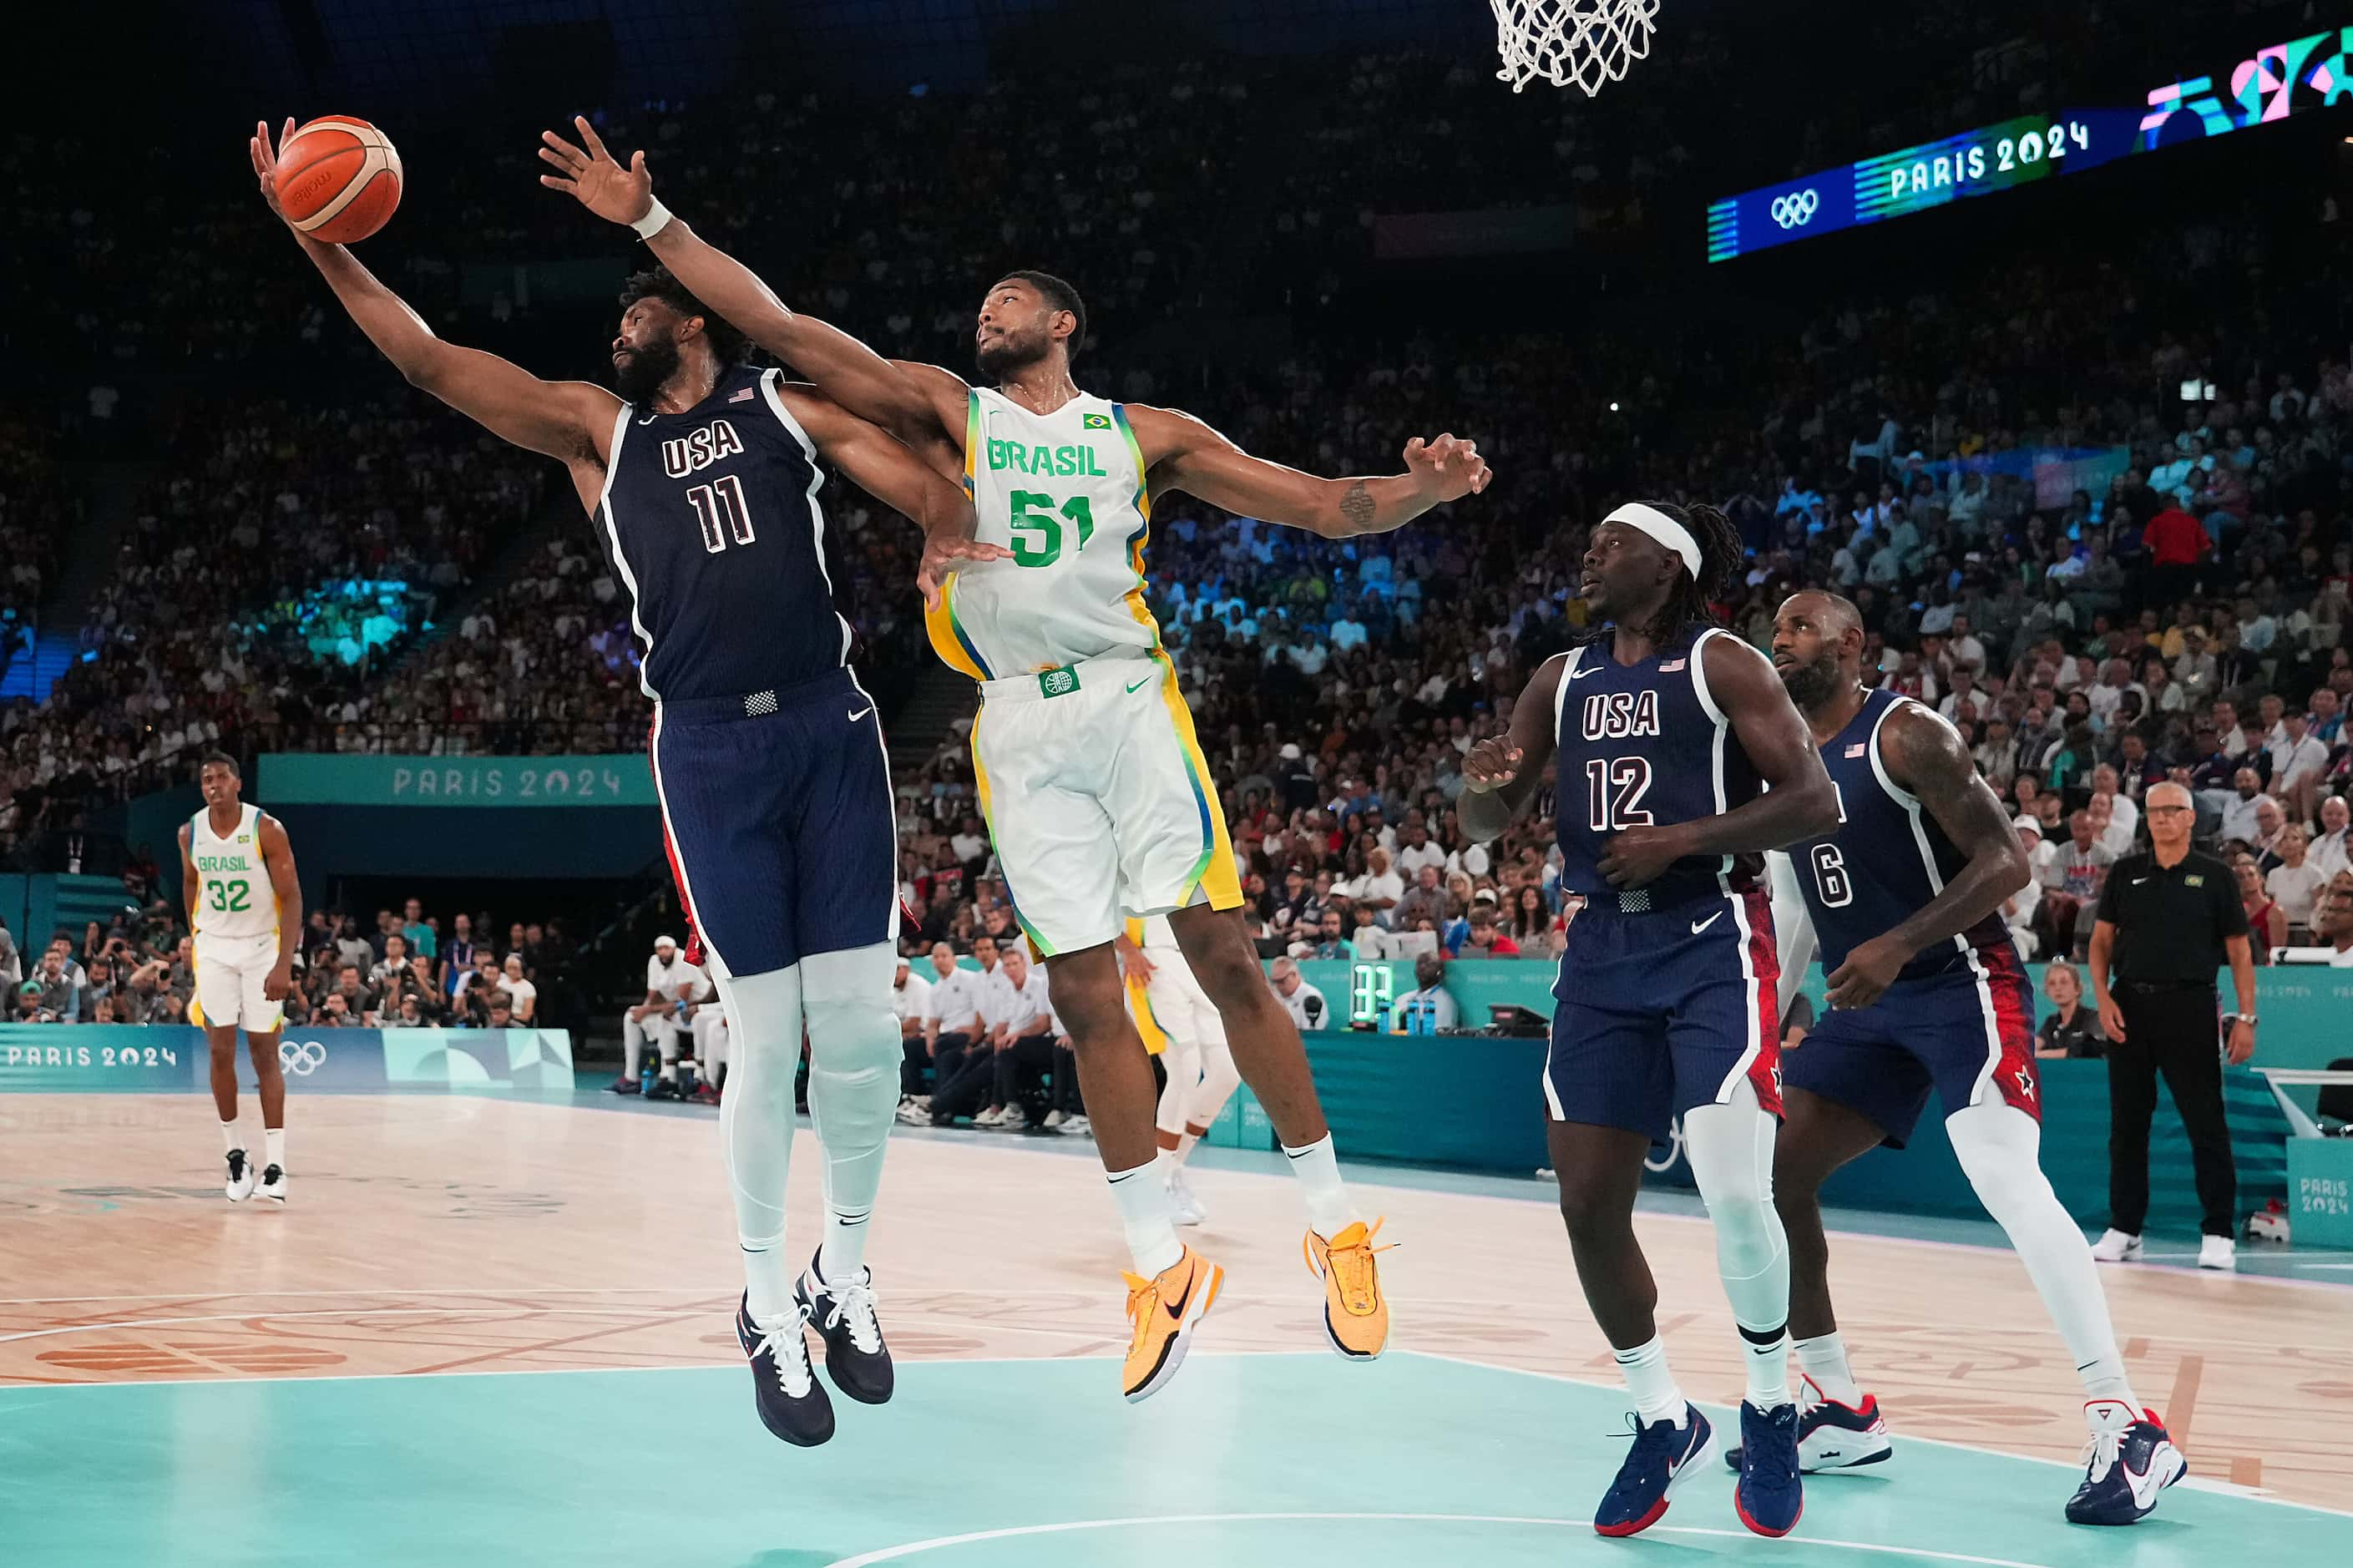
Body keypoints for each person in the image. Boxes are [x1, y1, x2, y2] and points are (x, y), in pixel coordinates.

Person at [536, 123, 1490, 1399]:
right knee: (1089, 999)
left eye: (1011, 300)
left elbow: (1319, 502)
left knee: (1218, 954)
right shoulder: (946, 406)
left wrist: (1419, 492)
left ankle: (1336, 1222)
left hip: (1126, 698)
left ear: (1062, 326)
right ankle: (1157, 1259)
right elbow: (780, 322)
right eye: (982, 301)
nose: (986, 311)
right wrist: (652, 226)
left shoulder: (1144, 433)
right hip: (1013, 724)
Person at [1459, 502, 1839, 1540]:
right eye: (1589, 541)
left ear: (1667, 567)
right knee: (1585, 1205)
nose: (1588, 552)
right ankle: (1659, 1412)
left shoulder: (1725, 666)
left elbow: (1813, 800)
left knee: (1732, 1191)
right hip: (1599, 954)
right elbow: (1488, 818)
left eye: (1609, 542)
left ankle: (1768, 1400)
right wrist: (1483, 786)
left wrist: (1683, 838)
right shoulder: (1559, 677)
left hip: (1711, 934)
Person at [1761, 592, 2177, 1525]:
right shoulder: (1781, 762)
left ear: (1850, 644)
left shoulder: (1908, 734)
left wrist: (1897, 944)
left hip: (1959, 983)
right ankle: (1837, 1406)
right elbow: (1792, 907)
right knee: (1772, 1174)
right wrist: (1769, 1010)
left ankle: (2126, 1421)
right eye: (1773, 630)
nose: (1778, 641)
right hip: (1864, 1003)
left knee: (2003, 1177)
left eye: (1797, 628)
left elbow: (2003, 863)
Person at [2086, 781, 2259, 1272]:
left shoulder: (2216, 876)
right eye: (2154, 812)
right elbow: (2100, 943)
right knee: (2127, 1126)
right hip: (2129, 1006)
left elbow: (2240, 952)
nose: (2161, 818)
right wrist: (2101, 997)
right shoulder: (2125, 873)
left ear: (2190, 818)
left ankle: (2219, 1231)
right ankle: (2125, 1228)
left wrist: (2246, 1017)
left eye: (2172, 811)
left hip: (2190, 1005)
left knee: (2205, 1122)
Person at [182, 754, 302, 1206]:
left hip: (260, 949)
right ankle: (236, 1155)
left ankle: (276, 1166)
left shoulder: (266, 829)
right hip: (214, 948)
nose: (213, 785)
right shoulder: (189, 833)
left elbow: (291, 898)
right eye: (205, 779)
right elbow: (190, 884)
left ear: (238, 782)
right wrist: (196, 933)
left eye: (220, 778)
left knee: (264, 1054)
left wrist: (284, 964)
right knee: (218, 1051)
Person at [1119, 916, 1241, 1224]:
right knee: (1185, 1072)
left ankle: (1172, 1171)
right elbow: (1098, 906)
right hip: (1151, 959)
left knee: (1227, 1071)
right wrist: (1128, 950)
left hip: (1193, 960)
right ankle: (1156, 1189)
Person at [2035, 963, 2107, 1059]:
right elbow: (2030, 1049)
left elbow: (2097, 1048)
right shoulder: (2051, 1022)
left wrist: (2040, 1055)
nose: (2058, 988)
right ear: (2047, 991)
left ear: (2077, 989)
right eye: (2052, 983)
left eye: (2064, 982)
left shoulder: (2093, 1018)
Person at [1394, 952, 1458, 1033]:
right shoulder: (1403, 998)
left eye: (1429, 964)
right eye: (1419, 964)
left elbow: (1441, 1037)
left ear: (1440, 973)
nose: (1422, 967)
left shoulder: (1445, 1002)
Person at [1267, 958, 1329, 1033]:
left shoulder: (1311, 997)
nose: (1277, 986)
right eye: (1274, 982)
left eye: (1281, 981)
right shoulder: (1274, 996)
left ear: (1294, 975)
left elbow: (1310, 1034)